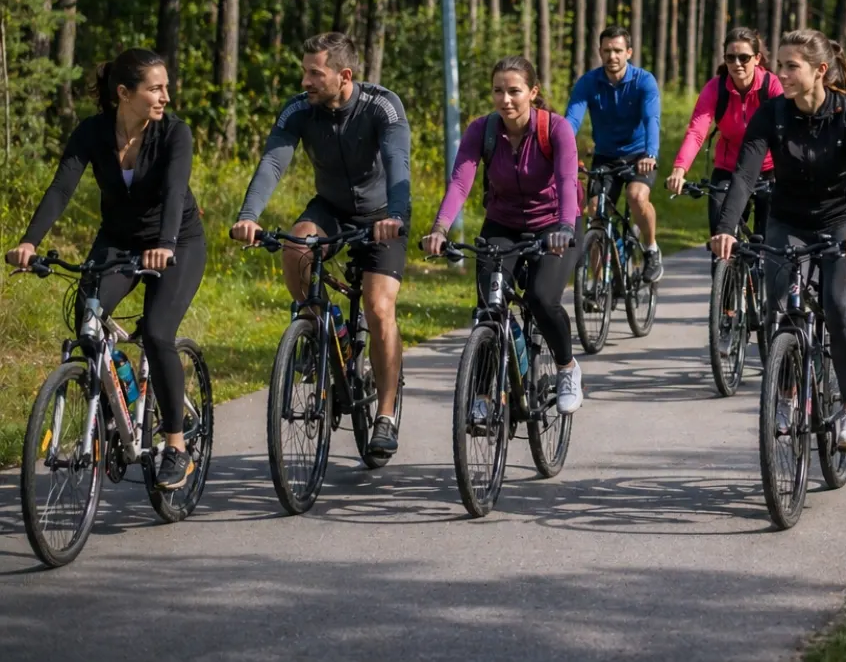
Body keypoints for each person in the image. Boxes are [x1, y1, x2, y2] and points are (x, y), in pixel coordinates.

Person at [8, 50, 205, 490]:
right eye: (155, 88)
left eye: (165, 87)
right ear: (124, 93)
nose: (165, 97)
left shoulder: (174, 134)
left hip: (176, 242)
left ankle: (175, 444)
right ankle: (118, 403)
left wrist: (165, 245)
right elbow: (62, 187)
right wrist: (29, 241)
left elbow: (175, 194)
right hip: (118, 240)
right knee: (86, 324)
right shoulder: (93, 133)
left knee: (156, 332)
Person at [231, 32, 411, 457]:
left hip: (381, 214)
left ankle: (384, 415)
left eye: (316, 72)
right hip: (330, 208)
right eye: (304, 71)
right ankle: (322, 328)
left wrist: (396, 217)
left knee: (379, 306)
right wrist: (248, 216)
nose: (306, 80)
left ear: (344, 76)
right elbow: (274, 161)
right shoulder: (299, 109)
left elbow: (396, 160)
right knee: (296, 248)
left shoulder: (382, 105)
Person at [711, 29, 846, 451]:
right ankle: (784, 397)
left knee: (840, 305)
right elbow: (746, 175)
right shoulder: (771, 114)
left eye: (790, 66)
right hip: (787, 221)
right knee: (779, 308)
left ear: (820, 70)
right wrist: (727, 227)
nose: (780, 73)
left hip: (843, 222)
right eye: (779, 64)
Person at [423, 56, 583, 413]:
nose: (505, 99)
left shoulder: (555, 129)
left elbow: (567, 181)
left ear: (533, 92)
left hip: (554, 224)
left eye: (514, 91)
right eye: (498, 91)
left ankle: (566, 368)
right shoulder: (483, 130)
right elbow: (460, 181)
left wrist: (565, 228)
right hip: (502, 224)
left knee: (542, 300)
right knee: (489, 308)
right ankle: (482, 394)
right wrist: (440, 228)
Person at [564, 26, 664, 282]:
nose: (612, 56)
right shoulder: (588, 82)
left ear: (628, 52)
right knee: (596, 212)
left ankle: (651, 249)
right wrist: (562, 150)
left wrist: (651, 154)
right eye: (607, 50)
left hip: (639, 155)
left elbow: (651, 118)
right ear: (599, 51)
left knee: (636, 196)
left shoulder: (644, 81)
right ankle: (599, 286)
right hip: (605, 156)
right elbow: (571, 121)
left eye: (618, 50)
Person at [666, 26, 784, 234]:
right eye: (730, 58)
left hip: (768, 169)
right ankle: (725, 266)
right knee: (721, 233)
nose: (737, 64)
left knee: (769, 239)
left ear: (757, 58)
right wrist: (679, 169)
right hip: (729, 169)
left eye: (744, 58)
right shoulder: (716, 88)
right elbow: (696, 131)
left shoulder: (771, 86)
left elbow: (786, 129)